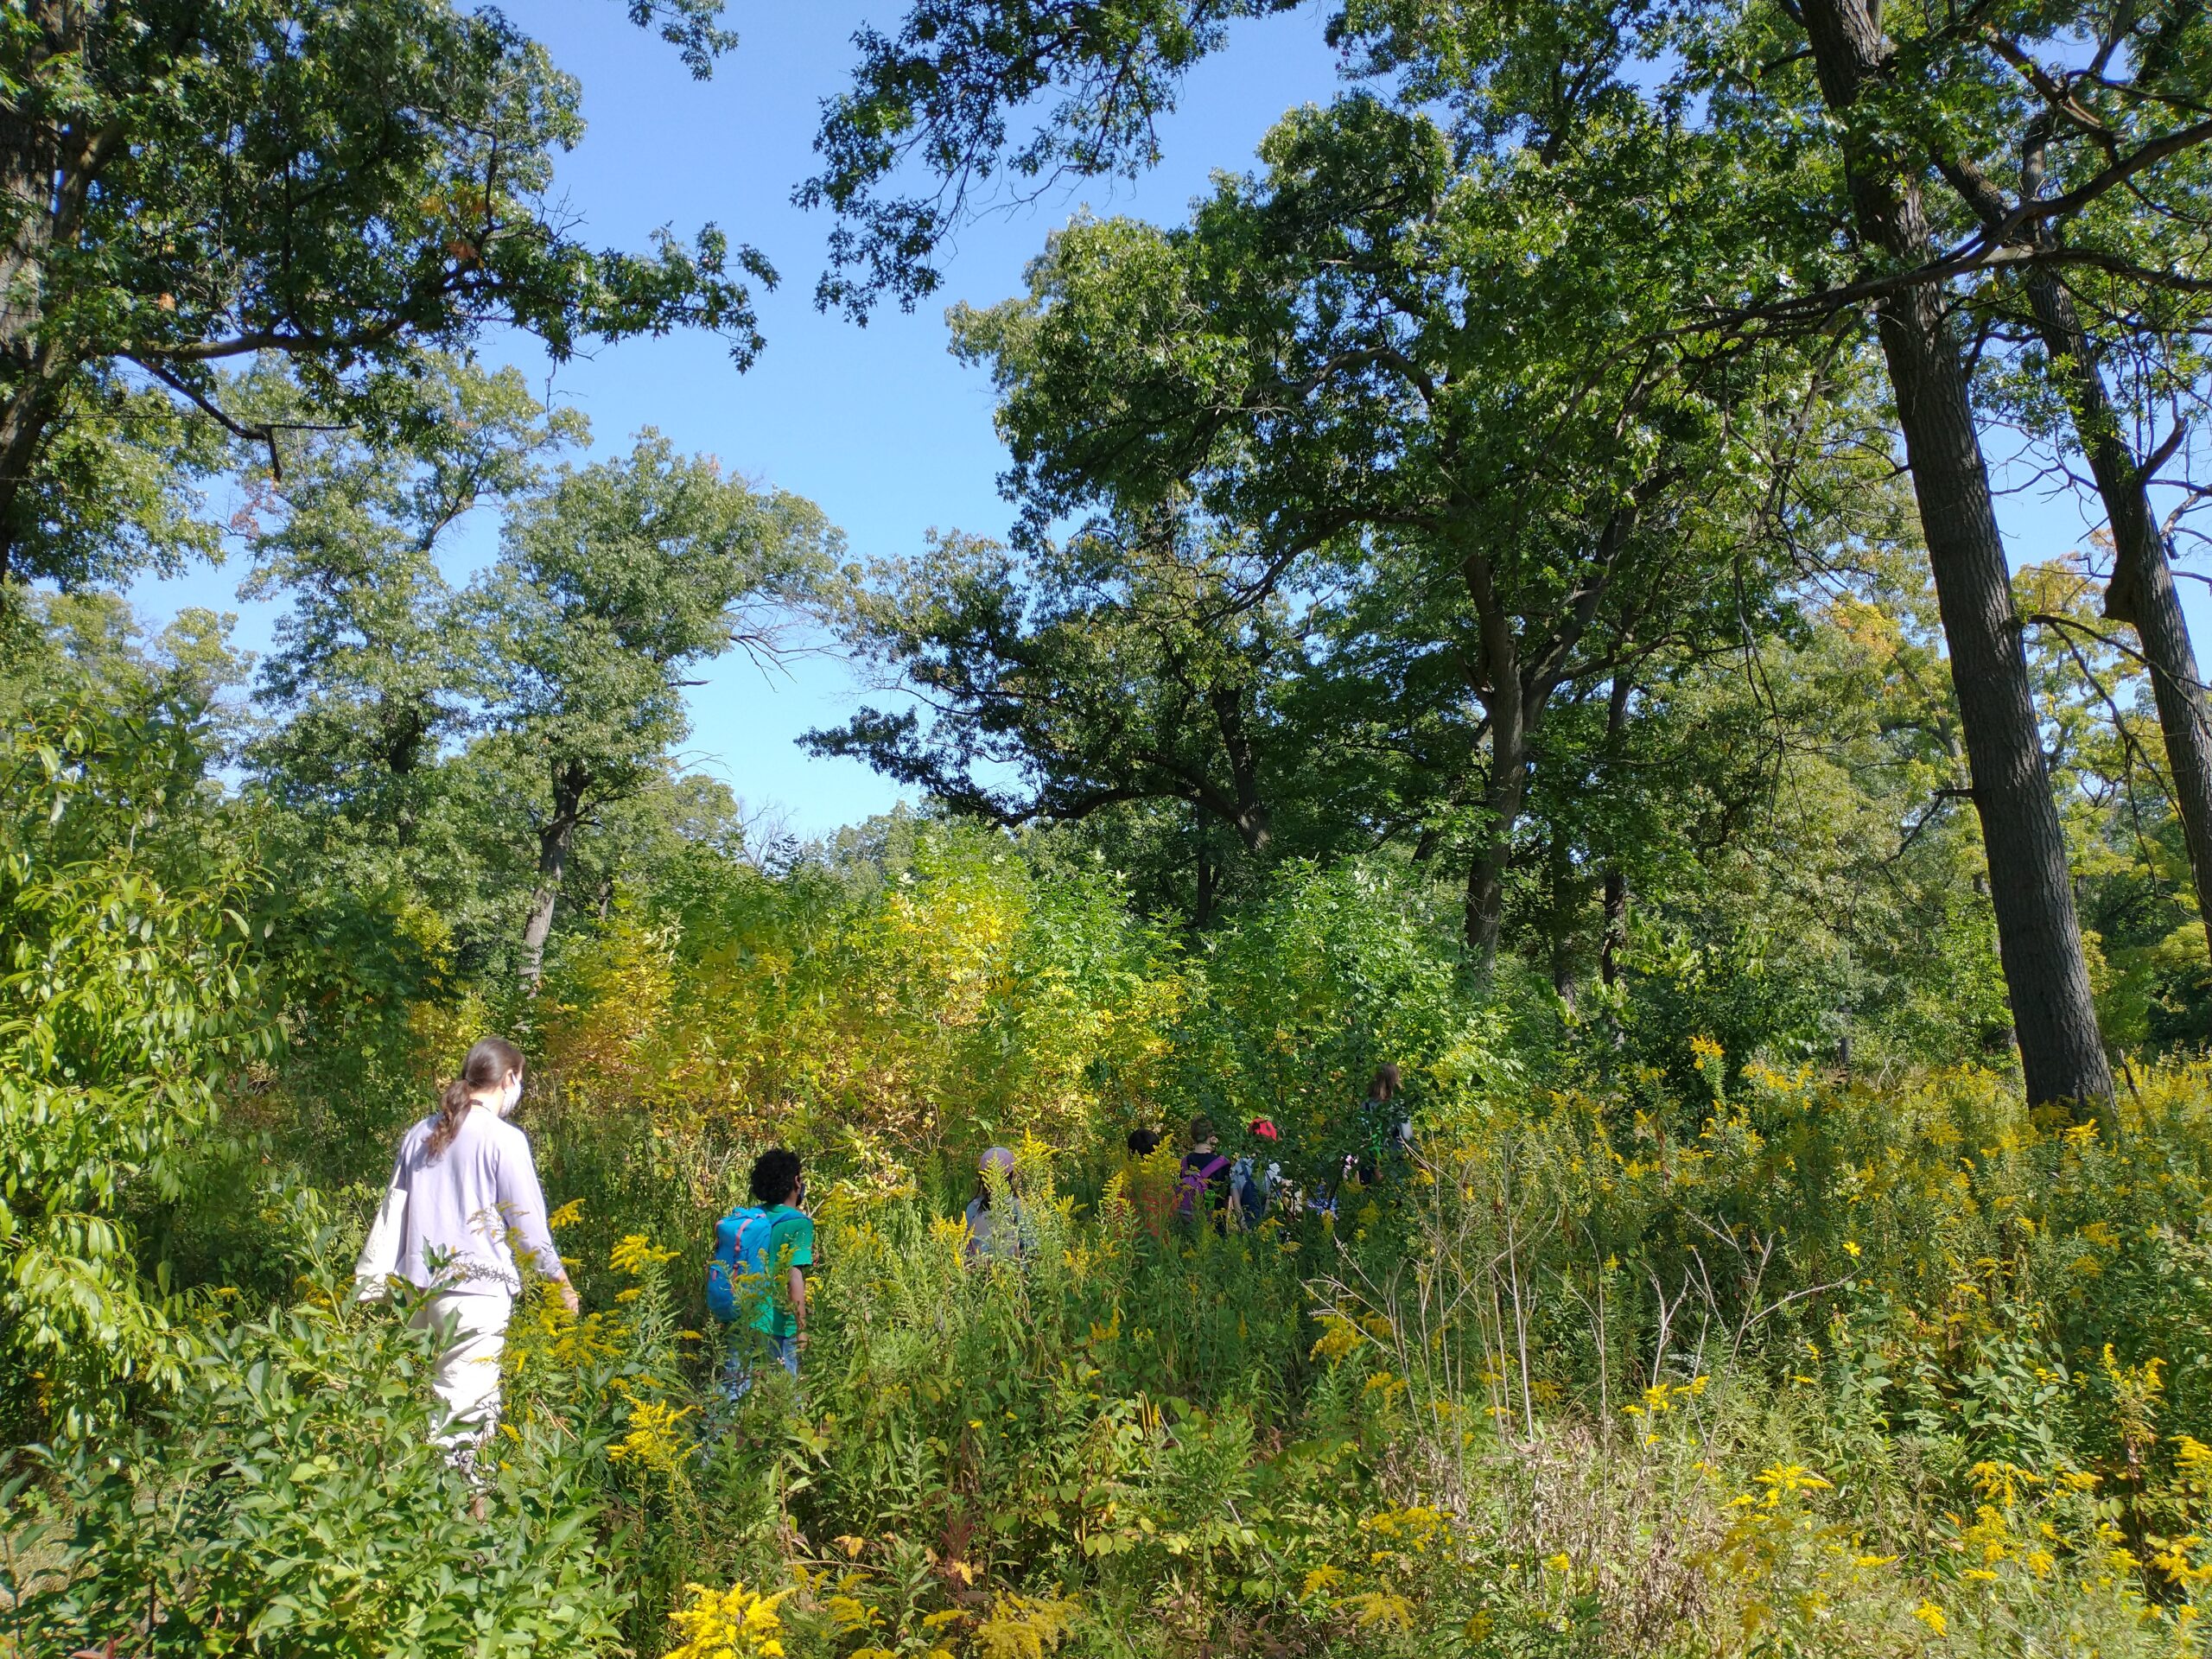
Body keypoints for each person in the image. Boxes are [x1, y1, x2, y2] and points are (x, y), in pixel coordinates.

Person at [354, 1036, 577, 1479]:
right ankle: (469, 1523)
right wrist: (561, 1283)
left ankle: (411, 1500)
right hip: (475, 1295)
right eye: (521, 1080)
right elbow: (529, 1229)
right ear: (509, 1079)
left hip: (415, 1293)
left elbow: (394, 1207)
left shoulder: (421, 1132)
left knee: (424, 1404)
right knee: (468, 1410)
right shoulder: (503, 1139)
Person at [715, 1147, 814, 1396]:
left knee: (733, 1390)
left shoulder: (751, 1218)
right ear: (795, 1181)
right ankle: (787, 1434)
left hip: (743, 1315)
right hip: (779, 1323)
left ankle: (714, 1435)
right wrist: (801, 1327)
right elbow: (794, 1277)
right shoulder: (797, 1222)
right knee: (786, 1394)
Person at [964, 1146, 1031, 1261]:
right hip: (1013, 1272)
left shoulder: (973, 1208)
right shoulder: (1017, 1207)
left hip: (982, 1272)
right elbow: (1030, 1246)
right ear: (1010, 1177)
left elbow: (967, 1248)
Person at [1178, 1116, 1239, 1231]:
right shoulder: (1222, 1163)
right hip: (1214, 1225)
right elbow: (1226, 1199)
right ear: (1211, 1137)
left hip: (1188, 1225)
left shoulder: (1185, 1161)